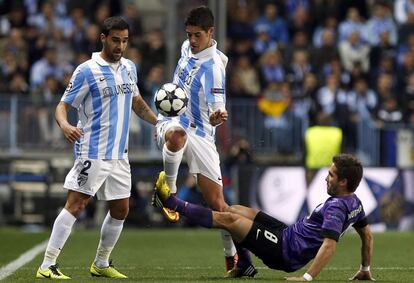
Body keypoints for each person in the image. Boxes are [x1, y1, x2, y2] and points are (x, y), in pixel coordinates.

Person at [36, 17, 157, 279]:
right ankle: (47, 265)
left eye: (125, 41)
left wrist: (158, 122)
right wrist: (65, 125)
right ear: (103, 37)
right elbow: (62, 105)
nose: (120, 46)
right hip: (93, 149)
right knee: (77, 205)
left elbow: (137, 102)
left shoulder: (129, 68)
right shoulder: (86, 70)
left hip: (120, 154)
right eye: (116, 40)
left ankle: (101, 264)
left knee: (121, 209)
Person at [153, 154, 375, 281]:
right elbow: (367, 236)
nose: (326, 178)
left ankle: (171, 202)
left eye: (331, 175)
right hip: (287, 233)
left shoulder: (336, 208)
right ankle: (245, 265)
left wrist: (306, 278)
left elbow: (329, 246)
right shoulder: (355, 202)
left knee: (228, 220)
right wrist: (365, 269)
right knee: (235, 210)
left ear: (344, 181)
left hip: (285, 252)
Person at [152, 6, 249, 275]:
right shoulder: (187, 47)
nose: (192, 41)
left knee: (219, 206)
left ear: (210, 33)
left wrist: (218, 115)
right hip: (174, 122)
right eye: (189, 35)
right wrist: (161, 119)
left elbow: (219, 107)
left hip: (203, 134)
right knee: (177, 136)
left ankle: (231, 257)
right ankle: (169, 193)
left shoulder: (214, 68)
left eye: (197, 36)